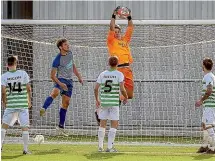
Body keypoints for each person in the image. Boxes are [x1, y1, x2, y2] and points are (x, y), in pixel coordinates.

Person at [40, 38, 83, 136]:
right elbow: (52, 76)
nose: (68, 46)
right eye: (65, 45)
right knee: (55, 93)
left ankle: (60, 127)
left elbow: (73, 66)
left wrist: (79, 76)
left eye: (68, 44)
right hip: (60, 80)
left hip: (69, 82)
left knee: (66, 103)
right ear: (60, 47)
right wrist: (60, 84)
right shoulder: (57, 60)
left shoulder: (70, 54)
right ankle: (44, 108)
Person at [94, 56, 128, 152]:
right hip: (114, 102)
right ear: (117, 64)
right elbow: (122, 88)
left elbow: (96, 88)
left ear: (108, 64)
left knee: (102, 124)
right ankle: (109, 147)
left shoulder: (102, 74)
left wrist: (97, 100)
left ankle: (100, 147)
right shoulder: (119, 74)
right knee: (114, 124)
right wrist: (125, 97)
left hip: (104, 102)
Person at [1, 56, 32, 154]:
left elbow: (3, 92)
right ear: (16, 63)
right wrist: (29, 100)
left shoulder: (3, 76)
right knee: (24, 127)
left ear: (7, 65)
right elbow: (28, 88)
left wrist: (4, 102)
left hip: (11, 105)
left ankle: (0, 146)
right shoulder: (23, 73)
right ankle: (25, 150)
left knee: (4, 126)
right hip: (22, 105)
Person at [107, 6, 134, 101]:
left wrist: (129, 17)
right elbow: (111, 27)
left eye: (118, 31)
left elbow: (130, 27)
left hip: (127, 69)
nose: (116, 33)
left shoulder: (125, 40)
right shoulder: (111, 41)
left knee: (129, 95)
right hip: (118, 69)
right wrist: (113, 15)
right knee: (115, 92)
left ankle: (117, 100)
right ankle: (108, 106)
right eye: (115, 31)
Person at [195, 57, 215, 154]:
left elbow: (209, 90)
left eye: (202, 64)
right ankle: (205, 145)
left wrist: (201, 100)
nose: (201, 66)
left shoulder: (208, 76)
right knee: (204, 124)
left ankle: (213, 147)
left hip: (210, 106)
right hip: (208, 105)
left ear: (204, 65)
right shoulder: (209, 75)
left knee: (208, 125)